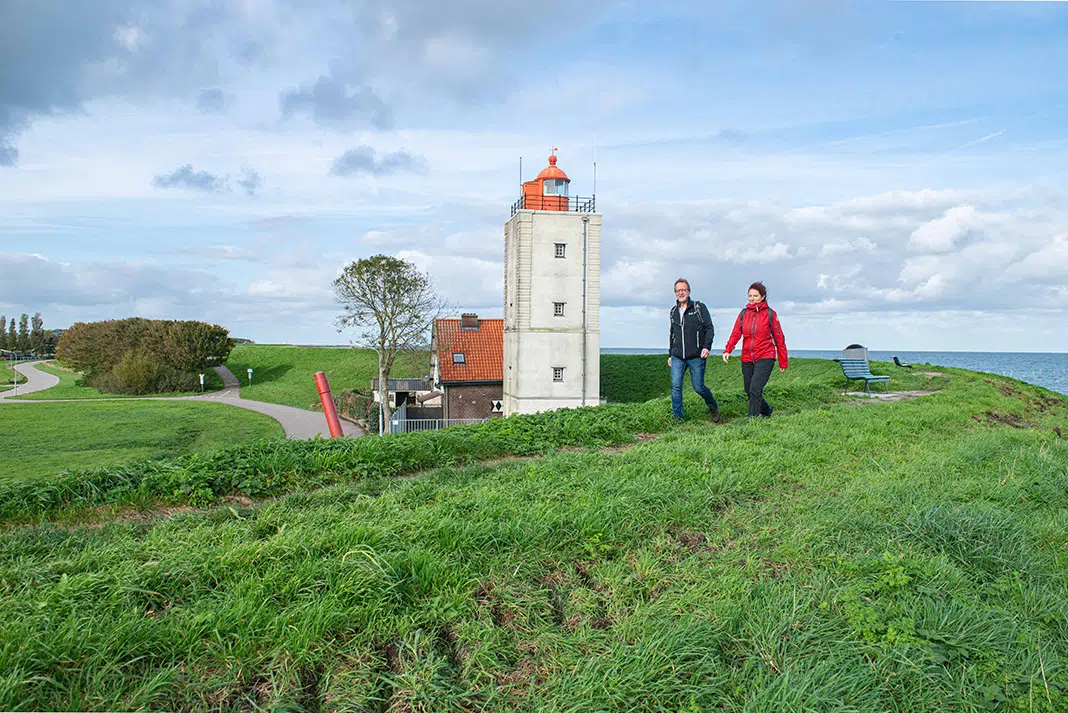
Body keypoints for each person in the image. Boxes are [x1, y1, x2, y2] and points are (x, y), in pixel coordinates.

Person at [722, 281, 788, 417]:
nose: (752, 299)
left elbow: (779, 338)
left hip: (765, 355)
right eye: (750, 296)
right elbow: (736, 333)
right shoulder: (743, 314)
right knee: (748, 390)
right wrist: (728, 350)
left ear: (763, 297)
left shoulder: (770, 314)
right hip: (747, 356)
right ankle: (767, 410)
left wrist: (783, 360)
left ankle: (752, 420)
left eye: (755, 296)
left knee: (755, 388)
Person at [668, 278, 720, 422]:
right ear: (675, 293)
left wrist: (706, 347)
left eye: (683, 290)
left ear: (689, 291)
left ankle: (712, 405)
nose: (681, 293)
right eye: (678, 290)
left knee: (698, 387)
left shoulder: (699, 308)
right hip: (677, 356)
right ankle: (678, 417)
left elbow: (709, 328)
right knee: (676, 386)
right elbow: (672, 334)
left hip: (696, 355)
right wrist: (670, 354)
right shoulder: (673, 311)